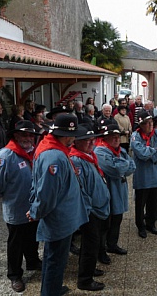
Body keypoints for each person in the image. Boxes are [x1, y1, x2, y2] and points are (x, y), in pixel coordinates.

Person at [27, 114, 88, 296]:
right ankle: (50, 291)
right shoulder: (54, 157)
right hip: (60, 219)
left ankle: (51, 288)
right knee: (55, 260)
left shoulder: (54, 149)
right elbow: (47, 193)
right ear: (66, 135)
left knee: (53, 259)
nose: (75, 138)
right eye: (73, 134)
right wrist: (36, 211)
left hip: (62, 216)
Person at [0, 120, 42, 293]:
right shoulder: (4, 156)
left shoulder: (36, 153)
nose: (28, 138)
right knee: (16, 243)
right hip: (16, 208)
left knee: (33, 236)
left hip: (34, 208)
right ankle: (15, 275)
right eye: (24, 134)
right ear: (15, 135)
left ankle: (33, 261)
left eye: (31, 135)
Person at [70, 124, 110, 291]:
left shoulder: (89, 155)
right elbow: (80, 190)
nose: (89, 143)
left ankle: (89, 268)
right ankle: (85, 280)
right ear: (76, 142)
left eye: (91, 139)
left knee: (93, 243)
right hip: (90, 211)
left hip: (98, 208)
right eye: (85, 140)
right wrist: (89, 211)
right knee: (89, 243)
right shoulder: (77, 160)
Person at [95, 124, 136, 260]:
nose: (116, 139)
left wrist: (120, 164)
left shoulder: (120, 151)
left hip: (119, 190)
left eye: (118, 136)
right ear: (105, 138)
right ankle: (101, 250)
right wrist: (122, 165)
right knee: (105, 223)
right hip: (107, 191)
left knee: (117, 219)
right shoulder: (100, 151)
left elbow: (132, 166)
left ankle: (112, 244)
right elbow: (114, 170)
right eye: (113, 137)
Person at [130, 111, 157, 238]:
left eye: (151, 122)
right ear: (141, 124)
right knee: (141, 203)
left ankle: (150, 224)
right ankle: (140, 226)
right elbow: (141, 153)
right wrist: (154, 151)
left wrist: (151, 154)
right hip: (143, 176)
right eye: (147, 123)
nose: (150, 125)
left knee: (154, 201)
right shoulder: (135, 136)